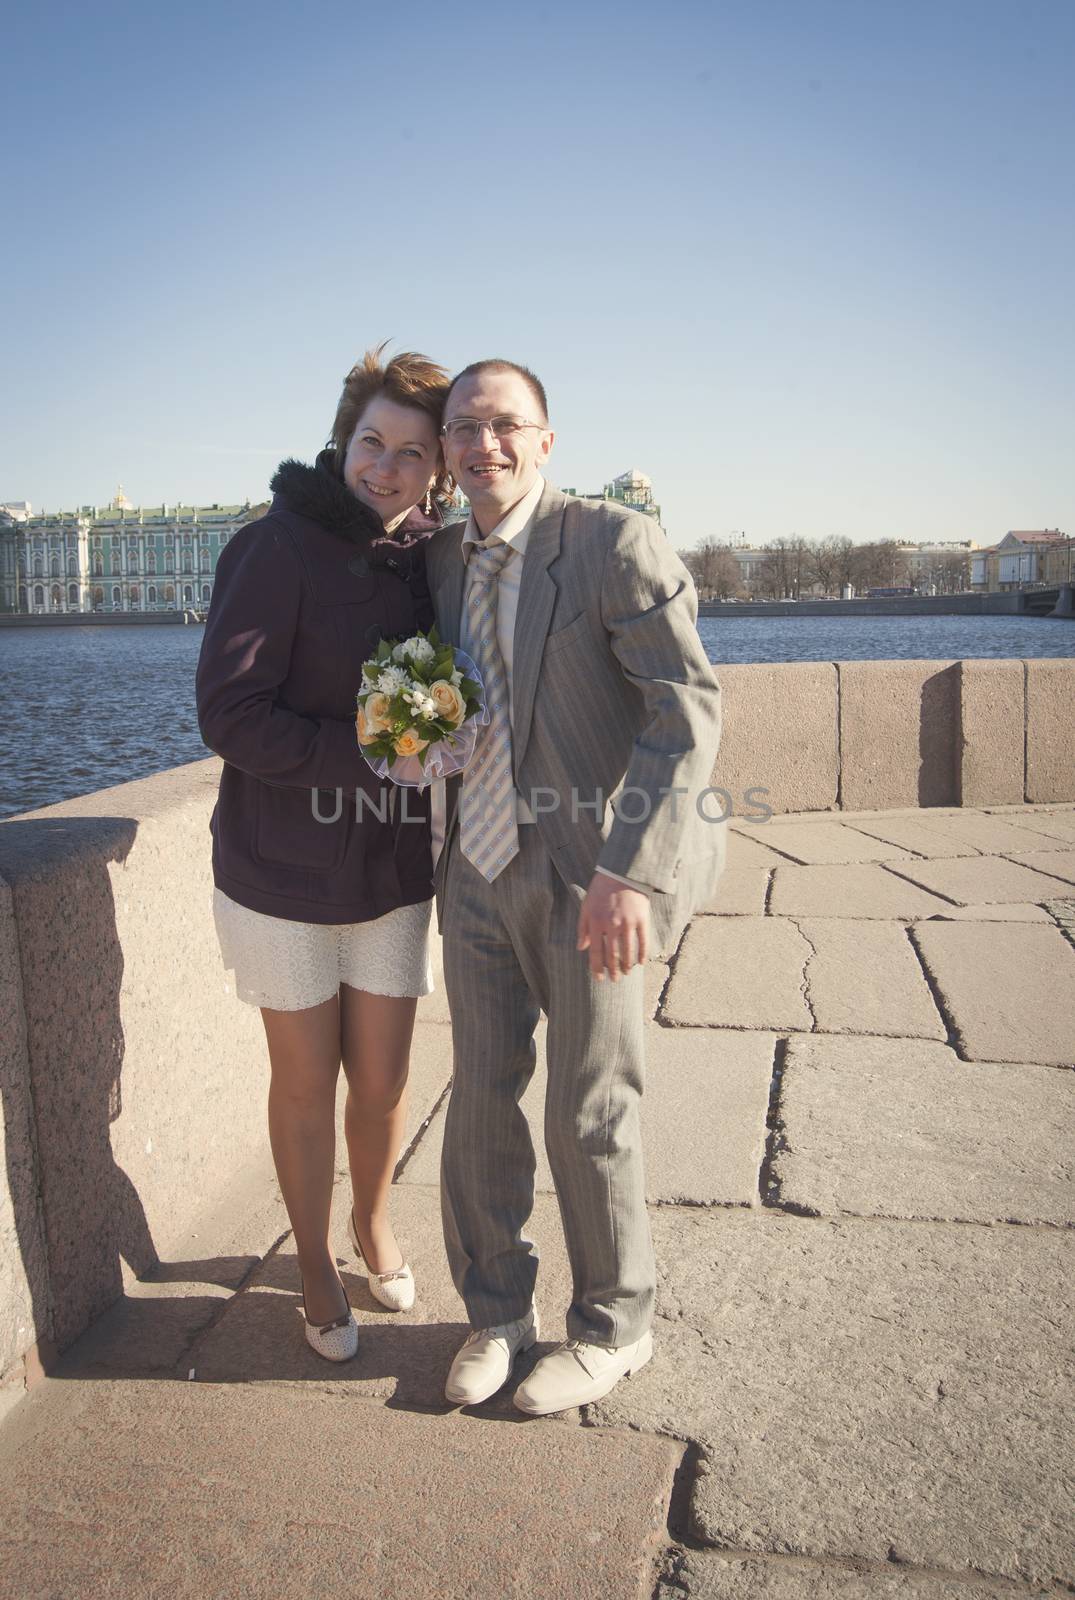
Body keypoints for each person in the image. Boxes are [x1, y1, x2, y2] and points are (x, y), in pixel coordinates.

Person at [426, 359, 723, 1414]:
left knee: (591, 1102)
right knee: (479, 1097)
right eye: (464, 427)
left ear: (546, 441)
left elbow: (683, 710)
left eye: (506, 424)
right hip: (475, 867)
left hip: (589, 877)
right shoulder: (442, 560)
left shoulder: (608, 543)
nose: (483, 444)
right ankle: (497, 1312)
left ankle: (613, 1325)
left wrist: (629, 873)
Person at [196, 345, 452, 1362]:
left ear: (437, 467)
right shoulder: (277, 545)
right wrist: (366, 758)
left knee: (384, 1080)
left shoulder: (429, 557)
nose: (383, 468)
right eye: (369, 443)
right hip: (281, 873)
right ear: (342, 440)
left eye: (408, 452)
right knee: (305, 1079)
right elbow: (229, 711)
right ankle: (311, 1261)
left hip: (389, 874)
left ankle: (371, 1224)